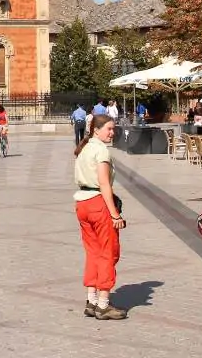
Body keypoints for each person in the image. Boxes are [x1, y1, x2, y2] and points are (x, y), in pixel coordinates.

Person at [74, 114, 127, 320]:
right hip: (98, 203)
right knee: (108, 253)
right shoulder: (101, 150)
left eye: (113, 129)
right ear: (96, 130)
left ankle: (92, 300)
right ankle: (104, 304)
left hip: (82, 203)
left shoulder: (84, 148)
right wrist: (115, 214)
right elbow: (104, 184)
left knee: (93, 252)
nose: (112, 133)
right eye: (109, 129)